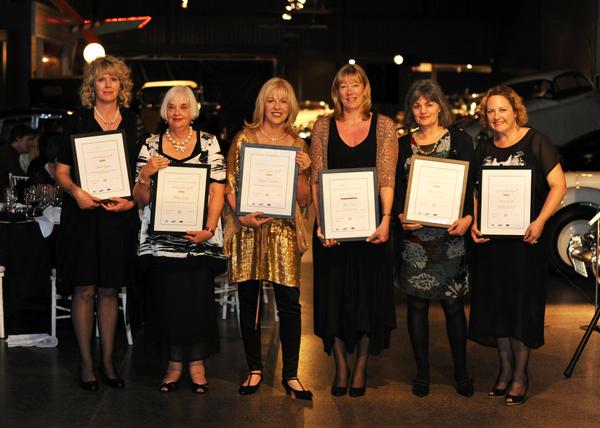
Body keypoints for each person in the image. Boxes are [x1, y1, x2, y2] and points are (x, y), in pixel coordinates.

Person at [469, 84, 566, 406]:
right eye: (490, 111)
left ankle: (521, 375)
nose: (496, 116)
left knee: (521, 309)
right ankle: (504, 370)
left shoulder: (537, 141)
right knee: (498, 307)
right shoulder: (484, 147)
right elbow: (477, 191)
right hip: (493, 245)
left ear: (515, 111)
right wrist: (477, 220)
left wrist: (540, 221)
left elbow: (558, 185)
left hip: (526, 243)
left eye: (502, 109)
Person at [311, 63, 398, 397]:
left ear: (365, 89)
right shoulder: (322, 126)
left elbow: (387, 177)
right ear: (337, 91)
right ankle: (341, 367)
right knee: (332, 297)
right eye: (343, 86)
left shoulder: (384, 126)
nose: (349, 91)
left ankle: (360, 365)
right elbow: (317, 178)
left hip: (370, 228)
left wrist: (386, 218)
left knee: (366, 297)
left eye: (355, 85)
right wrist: (322, 222)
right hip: (332, 229)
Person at [133, 85, 226, 394]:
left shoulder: (209, 143)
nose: (177, 112)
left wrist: (209, 230)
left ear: (192, 110)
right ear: (164, 111)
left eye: (183, 107)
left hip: (199, 240)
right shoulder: (150, 145)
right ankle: (173, 365)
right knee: (167, 302)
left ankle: (197, 365)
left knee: (198, 302)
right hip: (161, 242)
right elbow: (140, 198)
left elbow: (218, 190)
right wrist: (147, 172)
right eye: (171, 107)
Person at [55, 55, 141, 391]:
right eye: (101, 79)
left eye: (113, 79)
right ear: (92, 86)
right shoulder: (76, 120)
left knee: (109, 290)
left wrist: (131, 201)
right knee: (85, 288)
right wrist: (76, 191)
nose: (107, 85)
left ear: (122, 86)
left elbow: (138, 177)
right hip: (83, 216)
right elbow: (60, 171)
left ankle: (108, 361)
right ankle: (87, 363)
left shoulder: (133, 123)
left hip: (117, 218)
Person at [224, 77, 313, 400]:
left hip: (283, 232)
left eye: (284, 101)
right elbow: (229, 187)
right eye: (272, 100)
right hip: (248, 230)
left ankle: (291, 374)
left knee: (289, 304)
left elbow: (303, 200)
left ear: (291, 107)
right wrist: (241, 214)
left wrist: (303, 172)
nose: (277, 107)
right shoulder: (243, 139)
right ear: (263, 104)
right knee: (249, 302)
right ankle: (254, 369)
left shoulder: (298, 146)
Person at [393, 79, 474, 398]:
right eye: (416, 105)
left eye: (428, 103)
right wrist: (400, 213)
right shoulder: (402, 144)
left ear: (440, 105)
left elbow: (471, 184)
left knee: (454, 306)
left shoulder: (460, 139)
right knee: (416, 306)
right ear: (411, 110)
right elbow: (395, 186)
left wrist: (468, 218)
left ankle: (462, 372)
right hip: (415, 239)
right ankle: (422, 373)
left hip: (451, 238)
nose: (423, 110)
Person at [0, 124, 36, 190]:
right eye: (29, 139)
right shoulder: (7, 153)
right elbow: (21, 177)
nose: (31, 144)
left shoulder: (9, 151)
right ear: (18, 138)